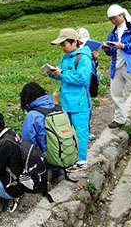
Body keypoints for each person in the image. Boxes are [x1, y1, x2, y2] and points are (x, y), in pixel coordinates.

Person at [48, 28, 92, 172]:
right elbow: (61, 74)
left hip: (79, 102)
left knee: (80, 131)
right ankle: (71, 157)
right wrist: (53, 73)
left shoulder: (84, 58)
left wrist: (63, 73)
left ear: (74, 42)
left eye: (64, 44)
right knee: (68, 132)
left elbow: (82, 79)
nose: (62, 48)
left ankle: (81, 160)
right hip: (66, 101)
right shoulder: (66, 57)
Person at [20, 82, 60, 180]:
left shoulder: (32, 116)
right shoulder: (59, 107)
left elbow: (27, 144)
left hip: (48, 162)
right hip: (66, 154)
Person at [77, 27, 100, 140]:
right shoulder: (77, 55)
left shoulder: (87, 54)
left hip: (89, 85)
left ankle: (86, 131)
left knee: (88, 108)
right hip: (81, 87)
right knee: (81, 110)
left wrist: (95, 59)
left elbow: (93, 69)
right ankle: (82, 133)